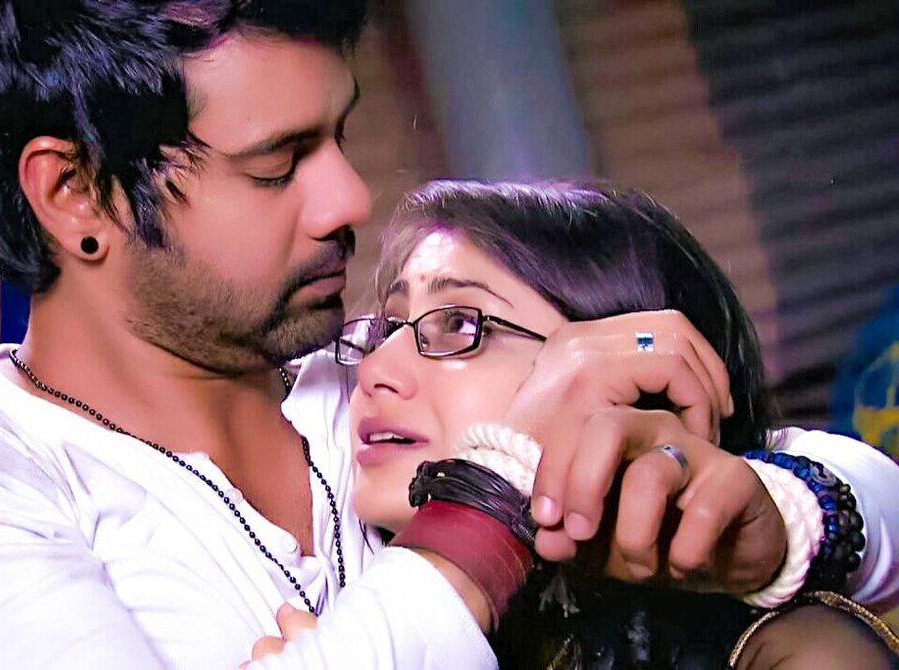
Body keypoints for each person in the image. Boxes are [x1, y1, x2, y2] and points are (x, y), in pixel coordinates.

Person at [0, 1, 896, 668]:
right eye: (279, 163)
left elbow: (858, 488)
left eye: (340, 134)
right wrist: (494, 490)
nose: (349, 197)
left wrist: (775, 521)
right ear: (75, 193)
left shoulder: (367, 382)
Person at [327, 179, 899, 668]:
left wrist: (794, 511)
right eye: (388, 328)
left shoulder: (778, 651)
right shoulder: (342, 598)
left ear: (628, 373)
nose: (374, 369)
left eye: (458, 323)